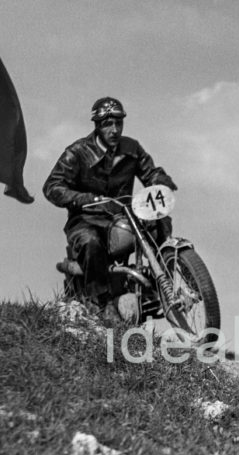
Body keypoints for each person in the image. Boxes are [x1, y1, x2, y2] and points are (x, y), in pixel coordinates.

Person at [43, 97, 176, 321]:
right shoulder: (77, 152)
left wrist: (161, 182)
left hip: (124, 215)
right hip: (86, 219)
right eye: (107, 124)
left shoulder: (132, 148)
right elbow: (52, 186)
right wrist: (85, 198)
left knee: (160, 220)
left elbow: (150, 172)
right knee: (90, 242)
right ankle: (102, 303)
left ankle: (160, 282)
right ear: (97, 126)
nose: (114, 130)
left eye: (118, 123)